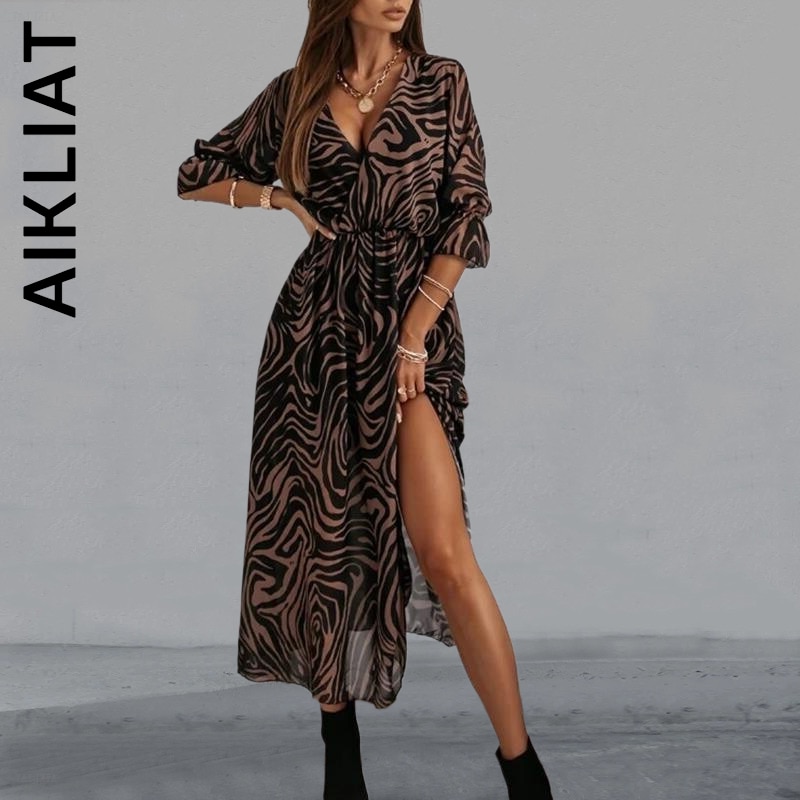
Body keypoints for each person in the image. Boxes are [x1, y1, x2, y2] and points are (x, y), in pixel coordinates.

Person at [176, 1, 553, 797]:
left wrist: (415, 332)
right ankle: (340, 759)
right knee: (328, 547)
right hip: (313, 334)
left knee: (444, 554)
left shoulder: (442, 83)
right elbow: (195, 173)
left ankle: (523, 770)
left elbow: (468, 215)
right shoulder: (297, 92)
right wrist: (277, 198)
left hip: (409, 325)